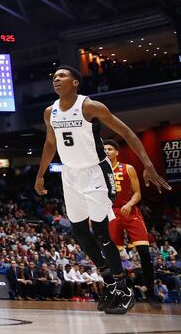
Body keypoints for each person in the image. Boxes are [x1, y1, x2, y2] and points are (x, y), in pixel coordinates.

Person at [34, 65, 172, 314]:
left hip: (96, 172)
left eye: (62, 76)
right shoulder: (49, 112)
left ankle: (123, 285)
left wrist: (148, 164)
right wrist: (40, 174)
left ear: (75, 82)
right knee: (78, 231)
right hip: (70, 174)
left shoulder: (90, 106)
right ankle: (110, 279)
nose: (56, 79)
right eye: (54, 77)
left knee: (100, 231)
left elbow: (127, 132)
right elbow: (50, 144)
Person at [103, 139, 161, 309]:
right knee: (113, 258)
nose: (106, 151)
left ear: (116, 152)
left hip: (130, 211)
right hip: (111, 212)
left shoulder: (128, 168)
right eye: (104, 149)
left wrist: (129, 204)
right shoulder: (100, 170)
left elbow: (137, 193)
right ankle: (125, 291)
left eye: (110, 149)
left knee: (143, 251)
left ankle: (151, 292)